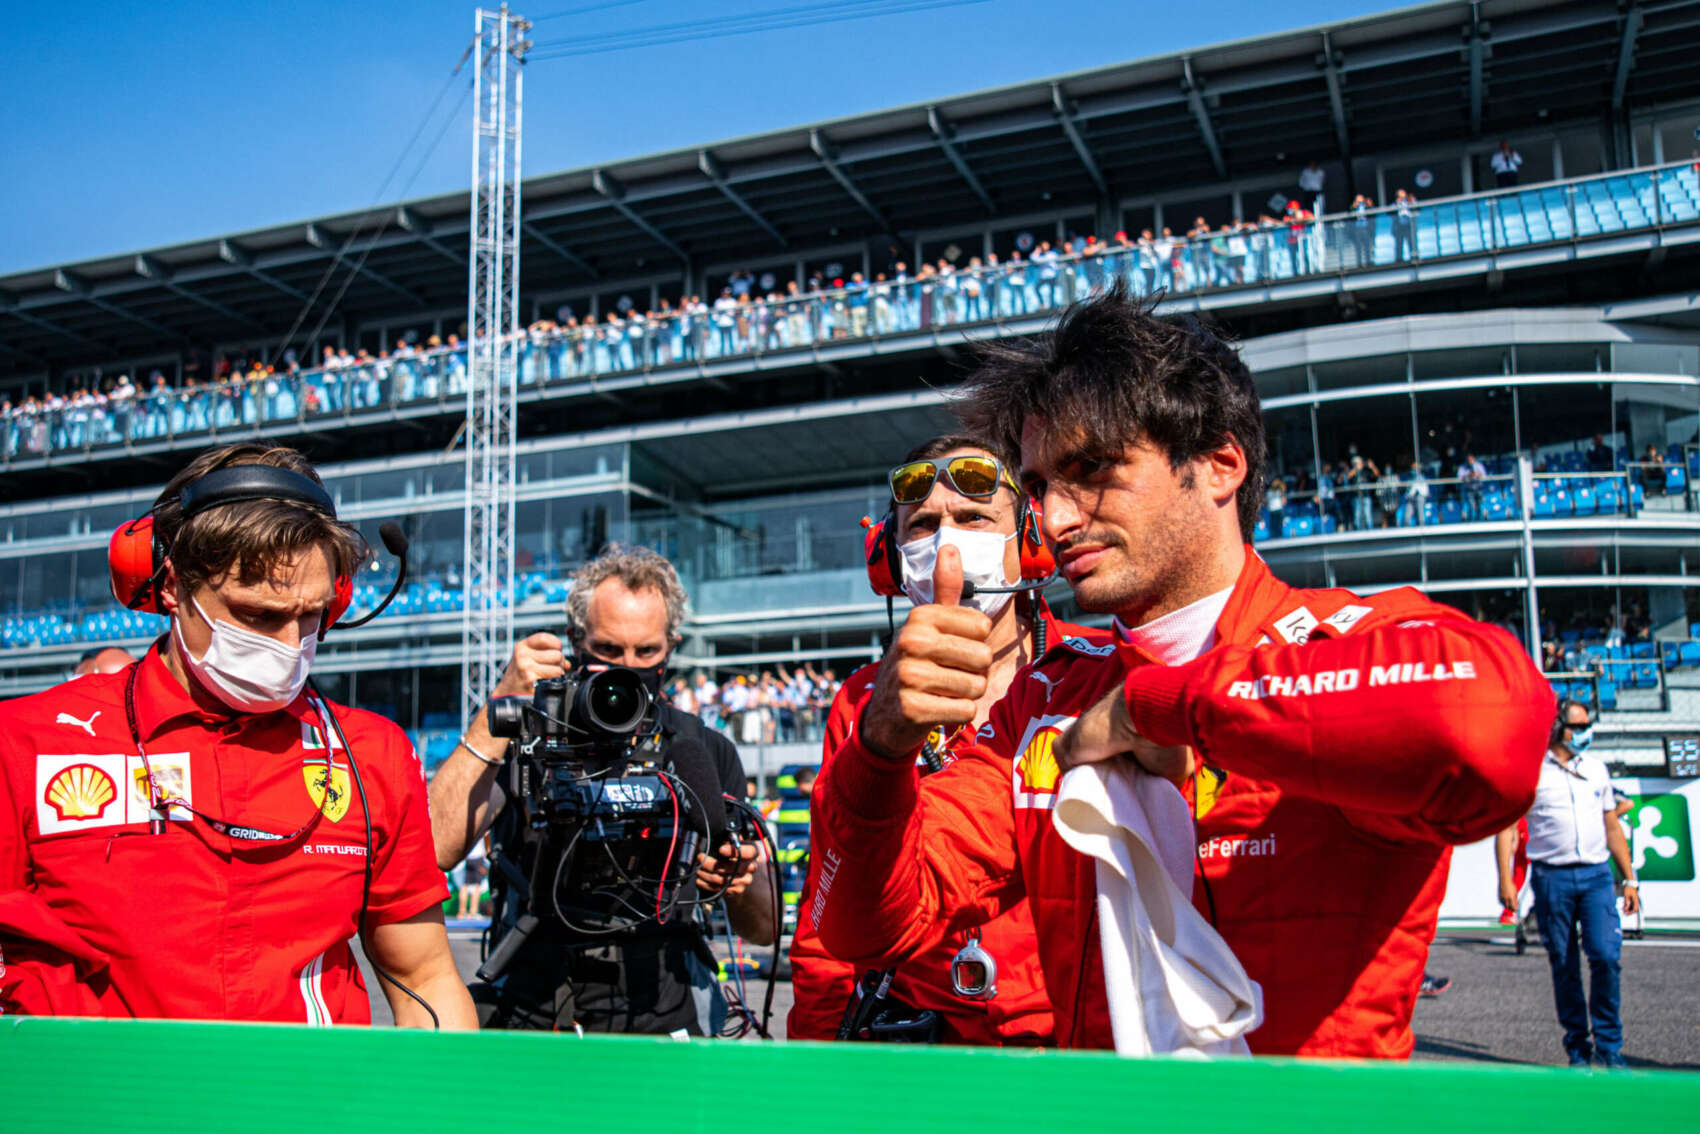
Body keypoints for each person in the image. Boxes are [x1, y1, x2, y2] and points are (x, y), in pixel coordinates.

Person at [808, 285, 1551, 1057]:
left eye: (1093, 468)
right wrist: (882, 747)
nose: (1056, 521)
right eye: (1038, 488)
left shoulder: (1337, 642)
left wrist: (1160, 707)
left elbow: (1488, 729)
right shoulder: (1048, 699)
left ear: (1220, 464)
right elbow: (868, 928)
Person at [0, 443, 474, 1027]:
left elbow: (425, 978)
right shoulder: (26, 742)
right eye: (256, 615)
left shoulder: (372, 752)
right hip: (104, 1107)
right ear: (170, 585)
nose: (286, 643)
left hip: (307, 1107)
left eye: (310, 616)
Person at [789, 434, 1082, 1047]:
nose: (947, 543)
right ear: (891, 559)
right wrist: (815, 1061)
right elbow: (828, 907)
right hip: (917, 1036)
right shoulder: (864, 701)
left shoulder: (1095, 670)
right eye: (923, 525)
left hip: (1069, 1040)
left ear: (1029, 541)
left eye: (975, 517)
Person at [428, 545, 775, 1035]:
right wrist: (500, 709)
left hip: (664, 1020)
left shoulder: (702, 750)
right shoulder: (529, 727)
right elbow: (434, 849)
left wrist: (739, 878)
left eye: (646, 652)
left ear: (672, 646)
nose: (626, 669)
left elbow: (760, 930)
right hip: (533, 1016)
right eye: (608, 651)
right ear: (574, 640)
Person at [1496, 699, 1638, 1068]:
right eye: (1578, 726)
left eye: (1588, 724)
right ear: (1558, 729)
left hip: (1595, 876)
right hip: (1551, 878)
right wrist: (1505, 881)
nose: (1585, 732)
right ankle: (1578, 1050)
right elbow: (1507, 827)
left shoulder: (1597, 770)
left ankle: (1610, 1047)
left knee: (1606, 956)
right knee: (1563, 963)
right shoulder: (1530, 773)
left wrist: (1630, 880)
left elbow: (1612, 826)